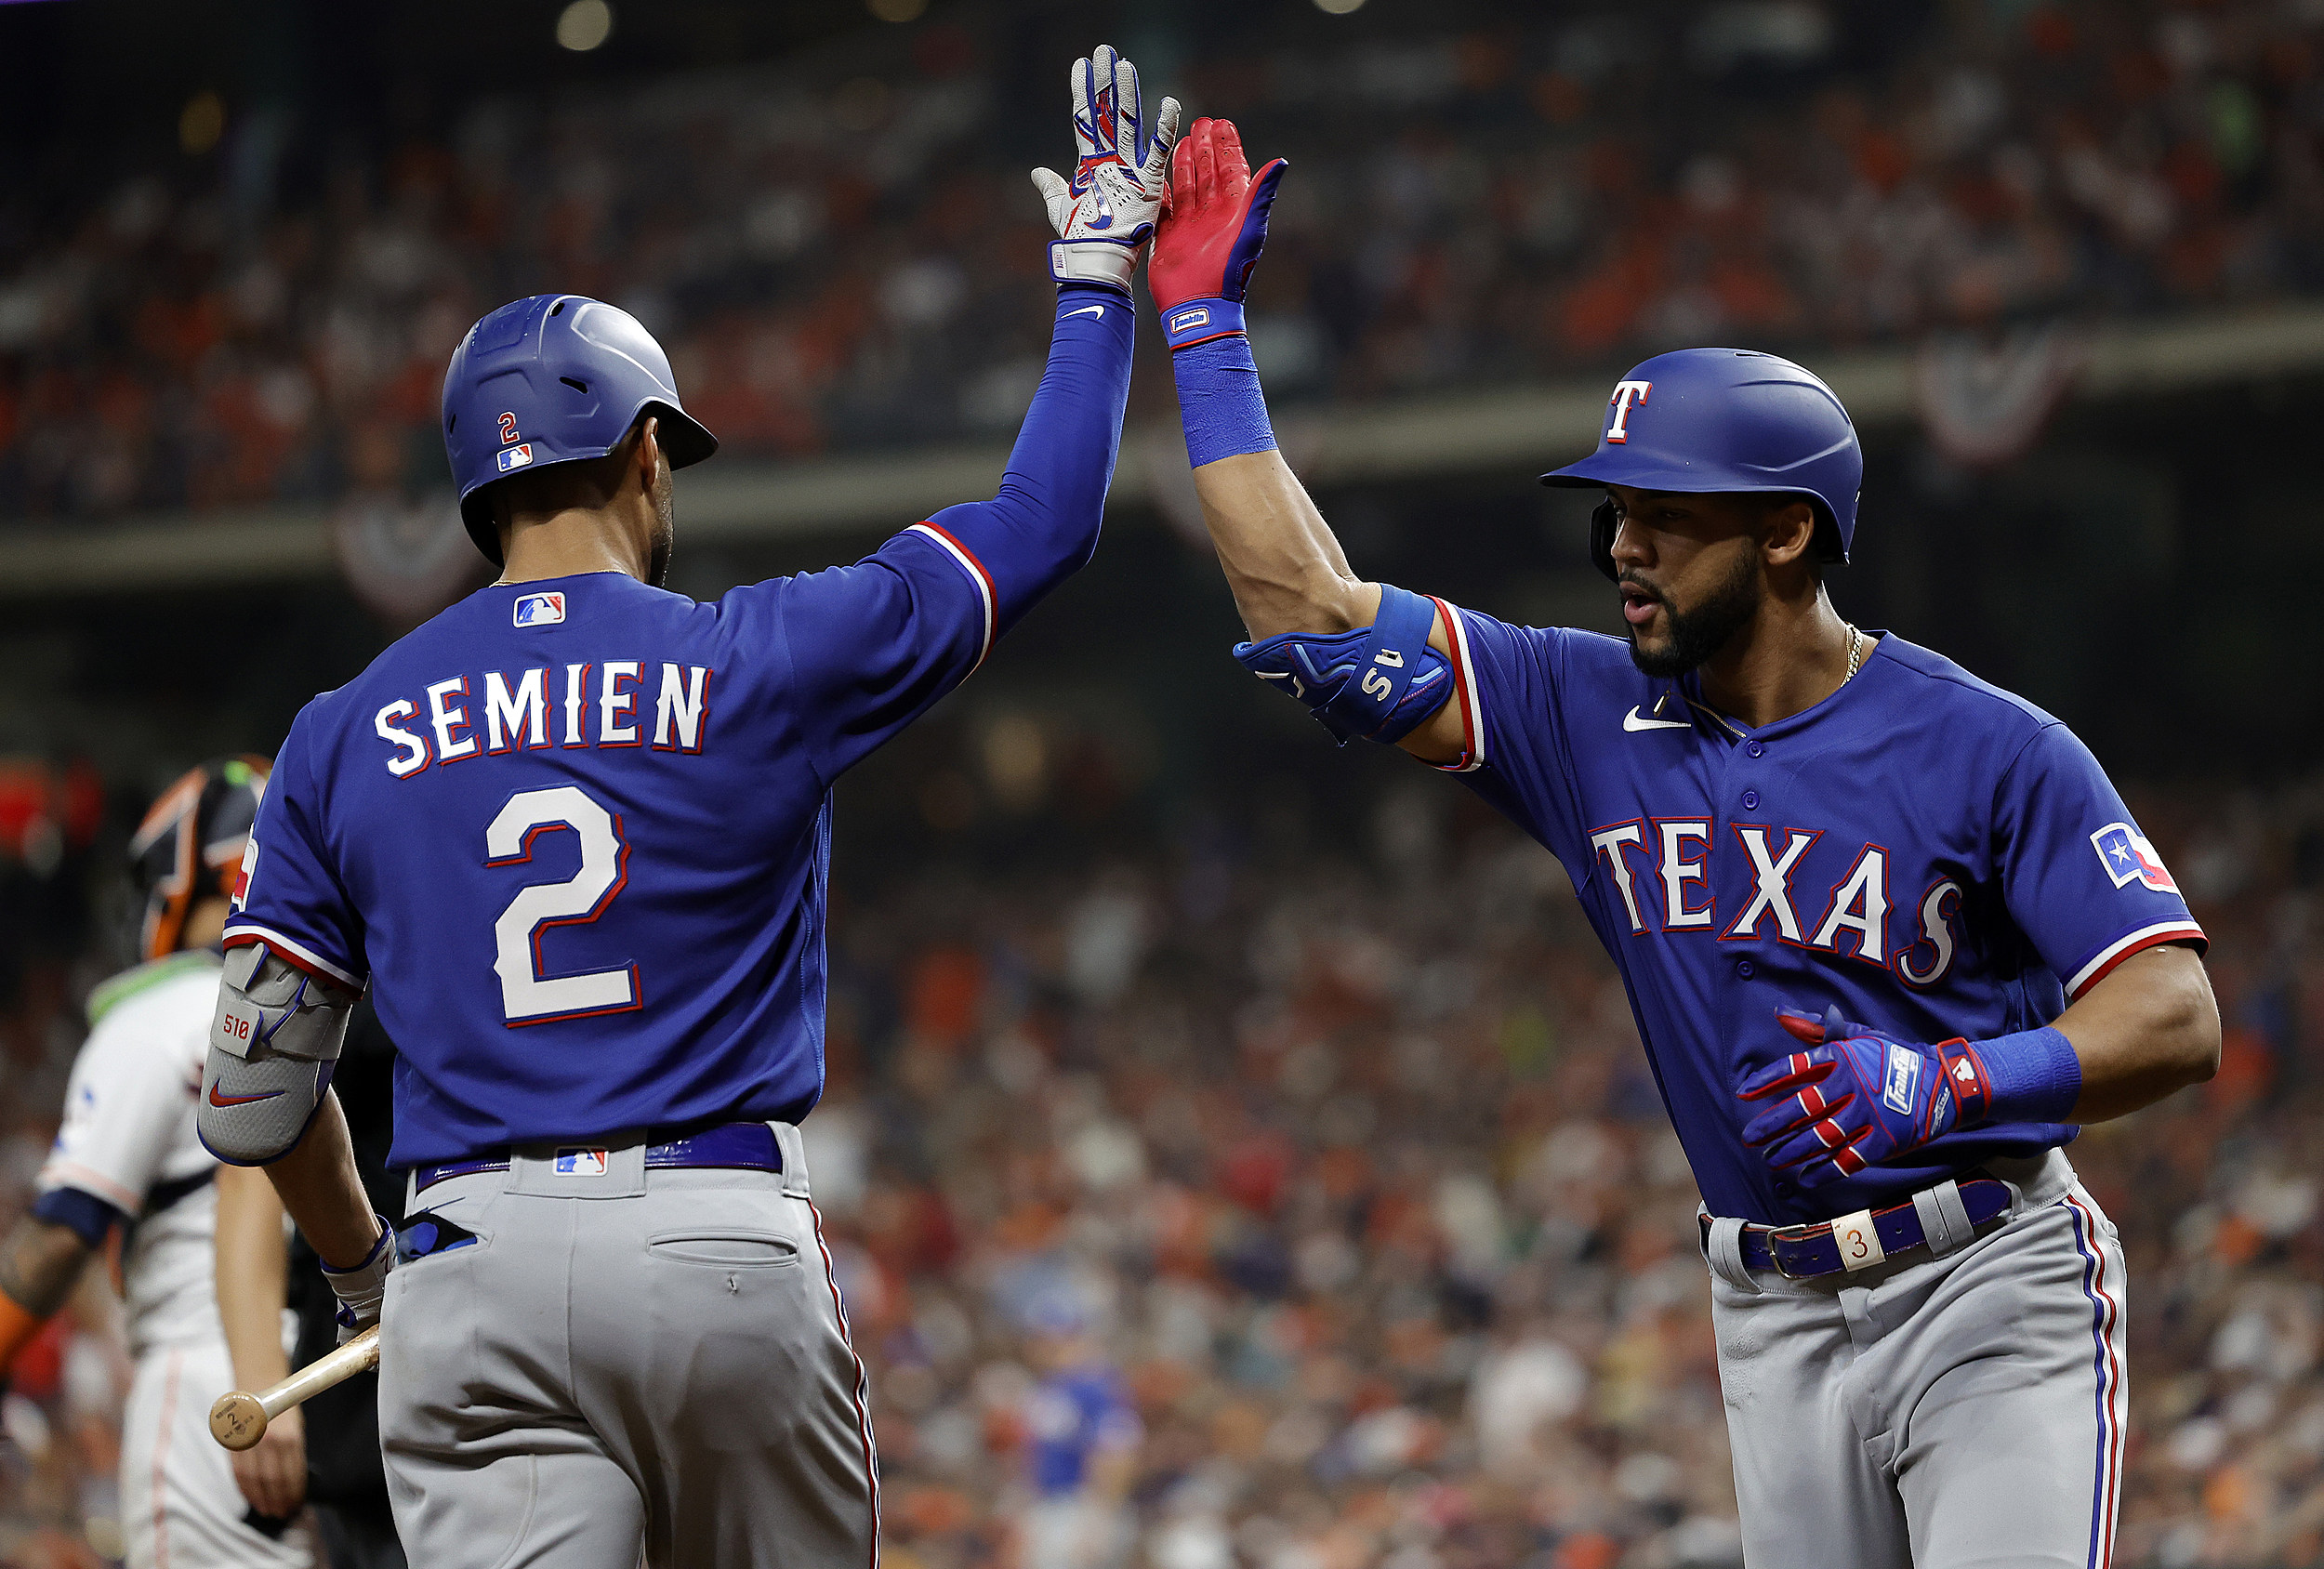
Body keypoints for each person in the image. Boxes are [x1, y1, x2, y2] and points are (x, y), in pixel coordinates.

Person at [1148, 117, 2221, 1568]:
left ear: (1785, 536)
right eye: (1616, 513)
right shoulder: (1577, 706)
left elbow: (2175, 1010)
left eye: (1663, 516)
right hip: (1769, 1310)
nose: (1622, 549)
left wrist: (1952, 1076)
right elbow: (1304, 606)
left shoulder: (1989, 745)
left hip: (1988, 1282)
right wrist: (1204, 331)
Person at [191, 46, 1174, 1569]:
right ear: (647, 452)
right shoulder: (754, 656)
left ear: (475, 492)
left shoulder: (339, 732)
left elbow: (252, 1095)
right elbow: (1047, 521)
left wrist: (368, 1274)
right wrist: (1102, 270)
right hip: (719, 1243)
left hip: (470, 1267)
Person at [0, 758, 315, 1569]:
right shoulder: (339, 1003)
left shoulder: (162, 1013)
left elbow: (61, 1237)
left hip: (214, 1394)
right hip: (342, 1388)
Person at [215, 1001, 408, 1569]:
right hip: (371, 1378)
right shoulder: (373, 947)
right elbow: (254, 1153)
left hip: (503, 1338)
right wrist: (260, 1374)